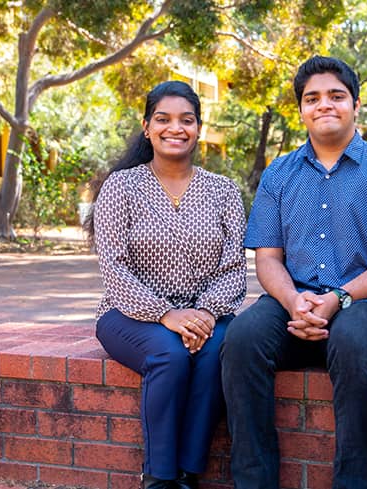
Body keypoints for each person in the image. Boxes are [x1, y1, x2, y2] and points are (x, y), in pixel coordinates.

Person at [220, 56, 367, 489]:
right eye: (313, 98)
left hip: (365, 303)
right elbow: (268, 258)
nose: (324, 105)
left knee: (352, 339)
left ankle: (354, 483)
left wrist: (337, 299)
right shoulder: (279, 173)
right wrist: (293, 301)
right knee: (242, 338)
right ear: (301, 109)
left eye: (336, 96)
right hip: (295, 301)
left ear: (356, 104)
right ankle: (253, 482)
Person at [85, 81, 247, 489]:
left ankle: (189, 473)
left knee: (216, 353)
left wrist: (206, 313)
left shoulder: (223, 190)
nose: (175, 128)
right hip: (129, 314)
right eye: (163, 119)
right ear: (146, 127)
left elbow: (234, 270)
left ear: (198, 128)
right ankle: (159, 478)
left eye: (186, 120)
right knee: (170, 356)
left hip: (208, 313)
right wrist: (167, 315)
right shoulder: (120, 187)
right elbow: (114, 268)